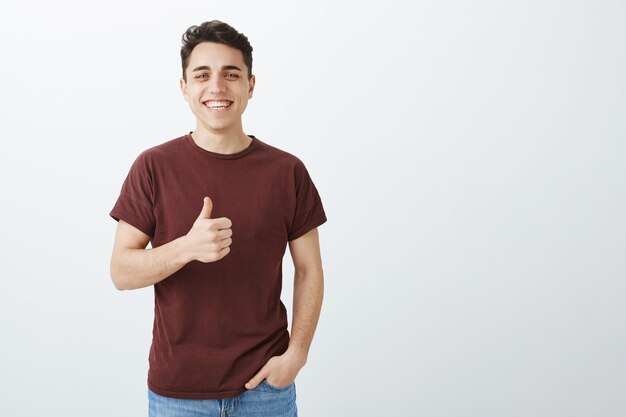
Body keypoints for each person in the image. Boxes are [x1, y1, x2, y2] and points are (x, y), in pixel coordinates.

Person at [109, 20, 327, 417]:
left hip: (266, 390)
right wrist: (186, 248)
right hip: (177, 393)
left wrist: (297, 354)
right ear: (184, 88)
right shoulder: (152, 167)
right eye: (202, 75)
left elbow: (309, 269)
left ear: (251, 85)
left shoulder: (287, 171)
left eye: (231, 74)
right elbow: (121, 271)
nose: (217, 87)